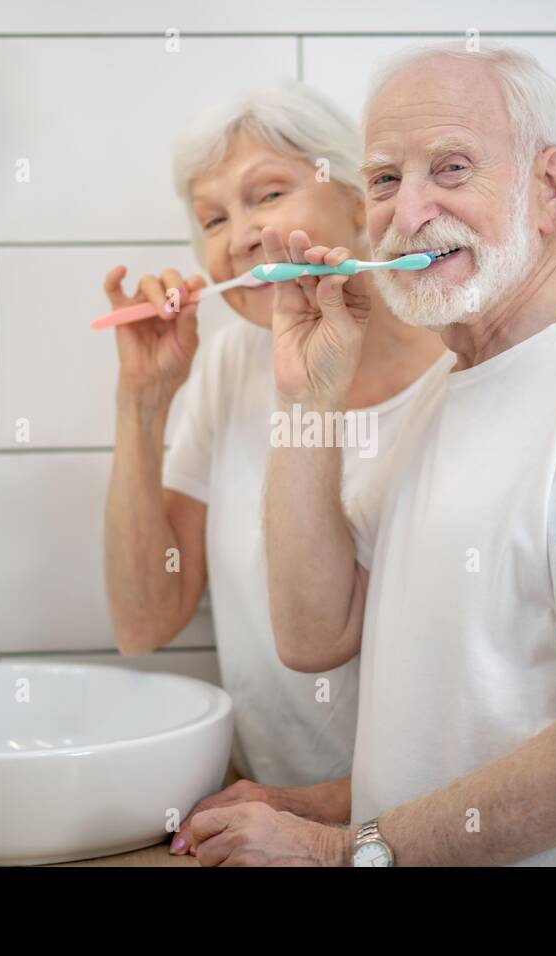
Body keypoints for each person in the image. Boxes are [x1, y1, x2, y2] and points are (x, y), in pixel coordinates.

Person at [190, 42, 556, 866]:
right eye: (384, 179)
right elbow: (315, 631)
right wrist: (306, 397)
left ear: (549, 186)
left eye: (451, 170)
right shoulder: (457, 383)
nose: (408, 212)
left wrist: (340, 852)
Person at [101, 80, 448, 854]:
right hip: (271, 832)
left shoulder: (460, 377)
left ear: (358, 200)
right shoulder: (232, 367)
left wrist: (319, 812)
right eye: (214, 219)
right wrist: (143, 403)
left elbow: (499, 717)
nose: (243, 237)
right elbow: (142, 620)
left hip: (415, 836)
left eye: (268, 195)